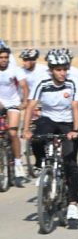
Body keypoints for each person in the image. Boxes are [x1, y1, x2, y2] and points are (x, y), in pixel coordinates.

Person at [24, 51, 78, 226]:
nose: (62, 73)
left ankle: (72, 204)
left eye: (65, 69)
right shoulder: (41, 81)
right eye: (58, 69)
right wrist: (25, 130)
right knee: (36, 138)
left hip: (67, 122)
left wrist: (75, 130)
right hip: (48, 119)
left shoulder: (73, 81)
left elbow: (76, 107)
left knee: (70, 162)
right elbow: (31, 106)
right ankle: (42, 164)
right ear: (51, 70)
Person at [0, 43, 27, 178]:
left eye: (6, 57)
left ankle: (17, 162)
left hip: (13, 103)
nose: (4, 60)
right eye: (1, 58)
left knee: (12, 132)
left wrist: (24, 102)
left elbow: (24, 86)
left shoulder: (14, 70)